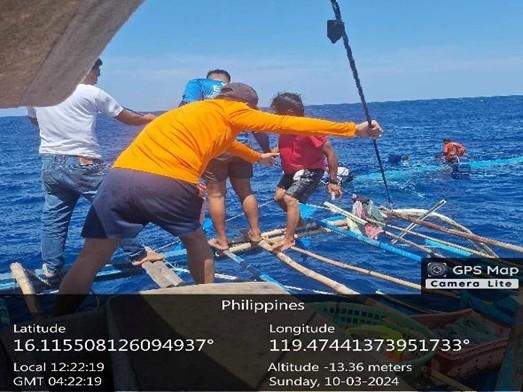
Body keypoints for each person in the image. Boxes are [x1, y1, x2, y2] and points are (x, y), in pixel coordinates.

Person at [55, 82, 382, 313]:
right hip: (168, 181)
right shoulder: (235, 112)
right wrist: (353, 129)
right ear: (245, 106)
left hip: (119, 179)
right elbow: (285, 122)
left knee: (90, 259)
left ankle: (60, 318)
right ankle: (207, 307)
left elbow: (225, 144)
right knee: (197, 241)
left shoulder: (188, 112)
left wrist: (256, 158)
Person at [27, 58, 163, 279]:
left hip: (50, 163)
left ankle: (51, 267)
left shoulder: (39, 94)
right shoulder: (91, 92)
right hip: (83, 162)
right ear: (84, 70)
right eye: (97, 71)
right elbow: (128, 117)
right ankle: (137, 253)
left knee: (54, 217)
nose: (98, 76)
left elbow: (34, 120)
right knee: (114, 206)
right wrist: (153, 119)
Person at [180, 69, 271, 250]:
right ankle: (255, 232)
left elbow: (185, 112)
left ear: (210, 80)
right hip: (243, 149)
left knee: (216, 195)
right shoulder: (239, 95)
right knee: (246, 192)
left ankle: (222, 240)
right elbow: (258, 127)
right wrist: (265, 151)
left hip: (216, 149)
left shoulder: (199, 87)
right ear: (228, 82)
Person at [270, 92, 344, 251]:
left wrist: (333, 181)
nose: (275, 116)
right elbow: (286, 145)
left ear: (289, 113)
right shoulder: (285, 127)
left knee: (290, 199)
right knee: (278, 198)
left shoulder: (309, 129)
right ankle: (299, 223)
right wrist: (270, 153)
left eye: (277, 112)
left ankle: (289, 239)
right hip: (291, 171)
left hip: (310, 170)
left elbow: (330, 153)